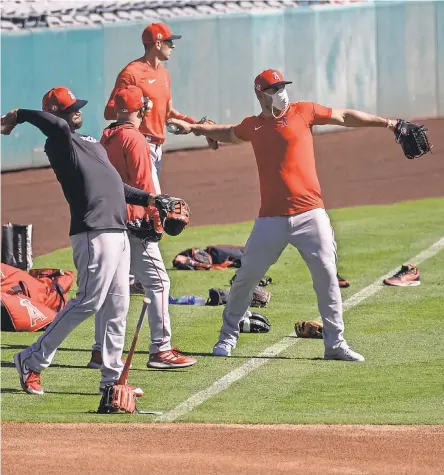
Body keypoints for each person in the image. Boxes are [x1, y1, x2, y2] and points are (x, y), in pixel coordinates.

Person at [168, 69, 399, 362]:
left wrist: (389, 123)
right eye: (274, 88)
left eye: (282, 86)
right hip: (271, 219)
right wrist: (194, 129)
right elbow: (227, 133)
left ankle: (335, 343)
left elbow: (344, 116)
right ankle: (227, 337)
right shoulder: (254, 126)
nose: (281, 92)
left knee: (327, 276)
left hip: (311, 214)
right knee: (245, 278)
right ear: (260, 94)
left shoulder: (304, 111)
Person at [1, 86, 154, 395]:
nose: (78, 110)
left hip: (117, 230)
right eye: (71, 108)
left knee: (117, 305)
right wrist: (19, 115)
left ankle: (111, 379)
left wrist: (151, 198)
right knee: (89, 301)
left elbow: (116, 185)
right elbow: (55, 125)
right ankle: (31, 359)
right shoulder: (59, 142)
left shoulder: (91, 143)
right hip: (92, 231)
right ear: (55, 115)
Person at [87, 85, 197, 369]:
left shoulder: (106, 136)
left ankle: (100, 351)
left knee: (114, 287)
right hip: (135, 223)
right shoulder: (134, 139)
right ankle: (161, 350)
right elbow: (143, 184)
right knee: (159, 283)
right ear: (143, 109)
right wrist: (155, 219)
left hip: (110, 221)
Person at [104, 22, 200, 294]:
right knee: (152, 205)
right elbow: (111, 111)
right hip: (138, 145)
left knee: (142, 208)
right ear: (157, 43)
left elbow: (168, 111)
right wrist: (138, 107)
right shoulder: (132, 73)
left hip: (157, 147)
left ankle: (132, 275)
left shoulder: (165, 74)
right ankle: (147, 277)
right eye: (170, 42)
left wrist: (193, 124)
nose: (173, 46)